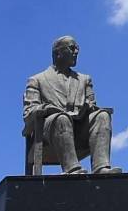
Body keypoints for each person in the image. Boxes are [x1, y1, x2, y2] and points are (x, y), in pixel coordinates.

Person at [23, 35, 116, 174]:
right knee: (62, 118)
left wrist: (89, 107)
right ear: (58, 53)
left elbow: (92, 104)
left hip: (80, 129)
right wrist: (47, 109)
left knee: (102, 115)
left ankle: (101, 167)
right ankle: (72, 169)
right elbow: (28, 112)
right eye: (72, 48)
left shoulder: (85, 79)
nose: (76, 52)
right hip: (51, 131)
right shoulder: (37, 80)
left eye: (77, 48)